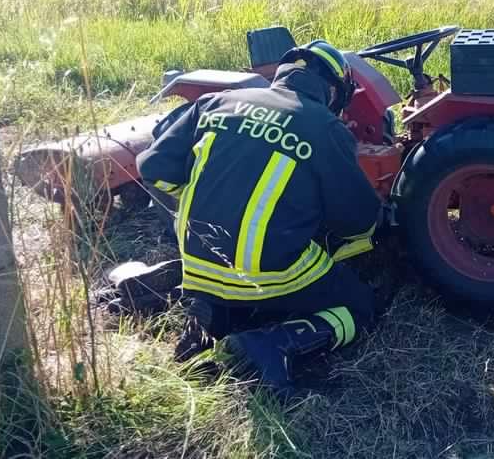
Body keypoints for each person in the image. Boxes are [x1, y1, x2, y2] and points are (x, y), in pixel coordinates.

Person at [136, 39, 383, 397]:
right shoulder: (324, 128)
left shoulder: (215, 102)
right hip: (270, 271)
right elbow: (358, 221)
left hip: (199, 262)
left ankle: (216, 314)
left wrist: (204, 203)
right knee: (358, 306)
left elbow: (153, 169)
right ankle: (275, 344)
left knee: (236, 289)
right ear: (333, 91)